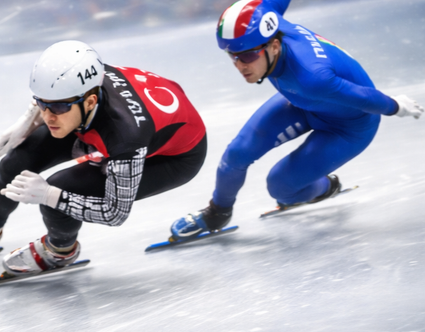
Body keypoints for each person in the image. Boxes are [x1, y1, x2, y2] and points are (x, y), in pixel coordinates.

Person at [0, 40, 207, 274]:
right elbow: (52, 97)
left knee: (62, 188)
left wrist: (49, 195)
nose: (48, 116)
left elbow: (115, 213)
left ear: (89, 102)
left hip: (175, 156)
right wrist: (28, 117)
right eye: (41, 103)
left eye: (59, 107)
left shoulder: (126, 136)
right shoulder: (80, 84)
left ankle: (60, 251)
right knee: (19, 159)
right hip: (108, 123)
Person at [170, 0, 423, 238]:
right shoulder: (266, 16)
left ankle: (326, 187)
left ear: (275, 46)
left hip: (347, 128)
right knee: (236, 154)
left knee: (280, 189)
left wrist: (396, 106)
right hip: (302, 101)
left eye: (247, 56)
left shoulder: (313, 78)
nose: (239, 65)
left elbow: (364, 98)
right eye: (232, 55)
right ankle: (217, 213)